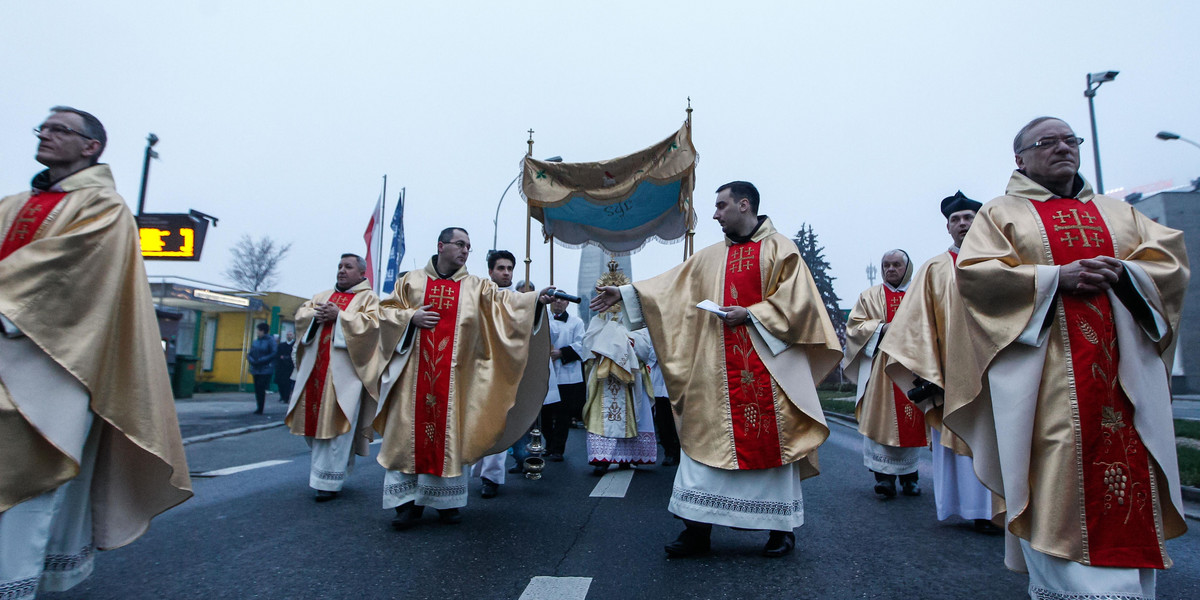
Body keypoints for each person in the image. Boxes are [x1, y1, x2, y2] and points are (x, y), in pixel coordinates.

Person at [945, 116, 1189, 598]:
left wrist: (1124, 274)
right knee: (1052, 474)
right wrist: (1056, 278)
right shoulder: (1001, 214)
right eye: (1047, 142)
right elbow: (975, 278)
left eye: (1070, 140)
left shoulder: (1120, 214)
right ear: (1020, 159)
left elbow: (1170, 266)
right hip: (1047, 383)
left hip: (1125, 382)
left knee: (1129, 473)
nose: (1063, 148)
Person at [590, 181, 842, 558]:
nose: (715, 213)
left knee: (772, 449)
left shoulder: (781, 249)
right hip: (714, 376)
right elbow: (671, 289)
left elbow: (800, 306)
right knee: (702, 447)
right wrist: (627, 293)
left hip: (768, 375)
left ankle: (778, 530)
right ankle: (696, 529)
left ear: (745, 205)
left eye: (722, 206)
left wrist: (752, 313)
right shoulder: (709, 257)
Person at [0, 106, 192, 597]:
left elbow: (65, 272)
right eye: (42, 127)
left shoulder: (104, 210)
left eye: (60, 129)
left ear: (92, 147)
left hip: (56, 367)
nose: (45, 135)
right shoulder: (11, 204)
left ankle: (13, 584)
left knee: (32, 481)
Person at [375, 227, 552, 529]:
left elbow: (505, 307)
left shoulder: (477, 287)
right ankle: (405, 505)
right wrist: (409, 318)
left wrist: (534, 300)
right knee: (407, 435)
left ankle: (445, 502)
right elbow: (384, 313)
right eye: (459, 244)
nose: (465, 250)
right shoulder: (411, 281)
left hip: (455, 381)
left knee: (450, 434)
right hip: (412, 381)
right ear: (441, 245)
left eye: (469, 246)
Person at [880, 191, 999, 533]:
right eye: (956, 219)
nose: (963, 223)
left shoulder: (1002, 260)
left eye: (969, 217)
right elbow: (915, 323)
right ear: (948, 227)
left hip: (997, 368)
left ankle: (1008, 504)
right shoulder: (934, 268)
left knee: (1000, 437)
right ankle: (976, 508)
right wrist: (926, 368)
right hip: (950, 370)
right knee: (962, 437)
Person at [286, 254, 382, 501]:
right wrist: (315, 317)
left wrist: (341, 316)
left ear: (362, 274)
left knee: (339, 428)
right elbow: (302, 316)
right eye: (340, 266)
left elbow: (373, 328)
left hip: (346, 378)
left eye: (348, 267)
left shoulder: (368, 298)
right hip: (316, 373)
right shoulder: (322, 296)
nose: (341, 271)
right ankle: (333, 472)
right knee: (315, 426)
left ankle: (327, 482)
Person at [844, 250, 925, 498]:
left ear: (907, 268)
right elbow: (854, 327)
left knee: (912, 420)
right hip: (879, 370)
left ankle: (910, 478)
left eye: (897, 265)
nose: (891, 269)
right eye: (886, 265)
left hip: (913, 368)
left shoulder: (920, 295)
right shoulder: (869, 296)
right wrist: (881, 329)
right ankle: (884, 479)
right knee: (880, 421)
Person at [581, 263, 657, 475]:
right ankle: (602, 458)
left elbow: (645, 345)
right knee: (604, 416)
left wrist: (622, 340)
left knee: (635, 412)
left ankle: (629, 456)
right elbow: (588, 345)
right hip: (604, 380)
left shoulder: (635, 320)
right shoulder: (598, 320)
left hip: (630, 377)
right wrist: (608, 342)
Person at [471, 250, 516, 498]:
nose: (506, 273)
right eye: (501, 268)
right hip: (476, 368)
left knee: (499, 425)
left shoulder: (520, 299)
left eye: (510, 268)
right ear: (490, 271)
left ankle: (492, 477)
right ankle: (472, 467)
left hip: (504, 370)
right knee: (475, 423)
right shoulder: (477, 296)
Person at [544, 293, 586, 462]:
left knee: (563, 414)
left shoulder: (576, 322)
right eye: (555, 299)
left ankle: (558, 449)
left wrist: (562, 353)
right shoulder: (545, 319)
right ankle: (548, 444)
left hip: (567, 374)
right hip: (548, 372)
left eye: (562, 299)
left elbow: (582, 344)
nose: (558, 302)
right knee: (545, 412)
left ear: (567, 303)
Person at [246, 322, 277, 414]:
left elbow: (273, 353)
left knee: (261, 387)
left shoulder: (270, 341)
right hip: (255, 368)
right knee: (257, 388)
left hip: (265, 368)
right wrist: (251, 359)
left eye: (258, 330)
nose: (257, 332)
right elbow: (250, 352)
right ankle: (258, 406)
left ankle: (260, 408)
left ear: (263, 331)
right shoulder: (256, 341)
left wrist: (261, 360)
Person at [275, 331, 296, 404]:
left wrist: (286, 358)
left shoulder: (295, 345)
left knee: (288, 383)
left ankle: (286, 398)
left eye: (290, 334)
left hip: (290, 367)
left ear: (293, 336)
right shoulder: (281, 345)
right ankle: (282, 396)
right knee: (280, 382)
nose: (289, 336)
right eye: (287, 335)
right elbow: (277, 355)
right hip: (281, 367)